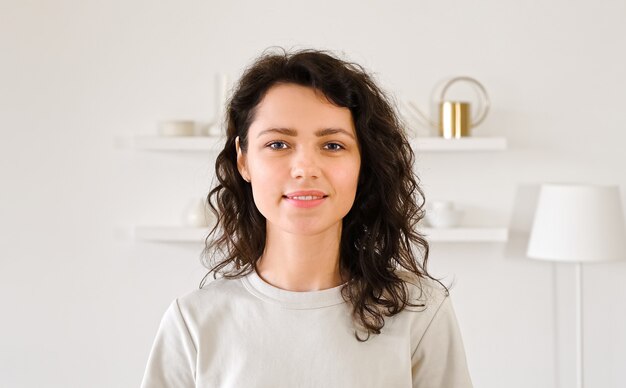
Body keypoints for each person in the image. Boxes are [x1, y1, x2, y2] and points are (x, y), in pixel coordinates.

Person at [140, 48, 473, 388]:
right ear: (243, 160)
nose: (304, 169)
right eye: (278, 144)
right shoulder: (193, 323)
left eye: (332, 146)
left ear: (363, 162)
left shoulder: (420, 313)